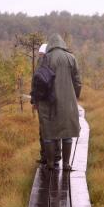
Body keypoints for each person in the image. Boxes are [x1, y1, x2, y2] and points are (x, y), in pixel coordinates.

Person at [32, 34, 82, 171]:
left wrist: (35, 100)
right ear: (62, 44)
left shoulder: (44, 58)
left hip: (48, 103)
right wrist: (74, 97)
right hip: (68, 103)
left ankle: (49, 164)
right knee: (67, 133)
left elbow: (36, 81)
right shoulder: (71, 58)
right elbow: (78, 82)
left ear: (50, 45)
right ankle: (66, 164)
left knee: (48, 134)